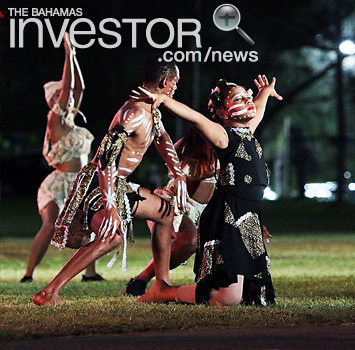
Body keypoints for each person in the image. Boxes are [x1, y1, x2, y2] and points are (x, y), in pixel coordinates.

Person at [32, 57, 187, 305]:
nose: (176, 88)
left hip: (118, 184)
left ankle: (161, 285)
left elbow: (162, 138)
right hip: (97, 183)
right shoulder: (134, 113)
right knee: (111, 237)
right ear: (165, 82)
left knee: (165, 214)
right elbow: (105, 160)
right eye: (176, 83)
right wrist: (110, 204)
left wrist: (177, 173)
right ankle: (49, 292)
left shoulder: (151, 110)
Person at [130, 75, 282, 305]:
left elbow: (258, 107)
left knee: (245, 296)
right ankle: (163, 292)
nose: (249, 102)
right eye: (240, 99)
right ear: (223, 114)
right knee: (227, 298)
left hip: (248, 215)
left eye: (248, 97)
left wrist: (264, 93)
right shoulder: (223, 136)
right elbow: (194, 116)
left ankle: (167, 290)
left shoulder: (248, 131)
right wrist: (164, 100)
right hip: (228, 215)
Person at [21, 33, 103, 283]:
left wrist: (74, 55)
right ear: (54, 100)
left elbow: (78, 88)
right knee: (50, 224)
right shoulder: (54, 121)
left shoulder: (72, 123)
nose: (67, 99)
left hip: (79, 182)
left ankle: (90, 273)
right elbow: (70, 89)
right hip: (57, 184)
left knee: (91, 224)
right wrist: (69, 54)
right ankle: (29, 273)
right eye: (61, 96)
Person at [125, 127, 217, 296]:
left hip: (208, 209)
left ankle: (141, 280)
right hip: (178, 204)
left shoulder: (226, 143)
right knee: (189, 241)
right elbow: (171, 163)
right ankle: (143, 282)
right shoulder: (187, 145)